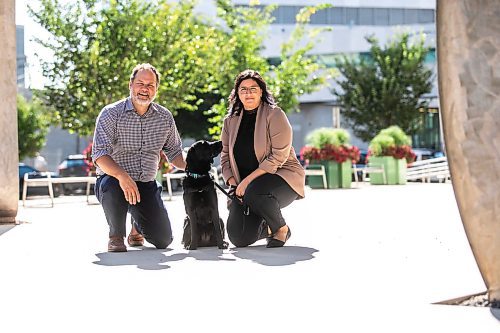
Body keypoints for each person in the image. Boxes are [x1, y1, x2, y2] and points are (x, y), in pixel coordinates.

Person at [91, 63, 186, 252]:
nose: (145, 89)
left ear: (156, 89)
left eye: (151, 85)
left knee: (163, 240)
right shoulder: (111, 113)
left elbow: (175, 153)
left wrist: (195, 165)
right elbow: (100, 155)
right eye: (140, 83)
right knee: (111, 185)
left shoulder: (164, 117)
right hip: (114, 181)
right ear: (130, 84)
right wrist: (122, 176)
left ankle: (136, 228)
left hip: (146, 185)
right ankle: (116, 236)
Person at [220, 69, 305, 248]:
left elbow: (278, 157)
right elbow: (225, 156)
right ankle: (268, 226)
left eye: (253, 88)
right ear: (237, 94)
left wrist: (246, 183)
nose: (248, 93)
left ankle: (281, 229)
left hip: (282, 178)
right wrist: (234, 184)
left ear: (261, 92)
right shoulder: (230, 121)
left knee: (255, 191)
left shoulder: (275, 114)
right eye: (243, 89)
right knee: (239, 238)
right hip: (246, 187)